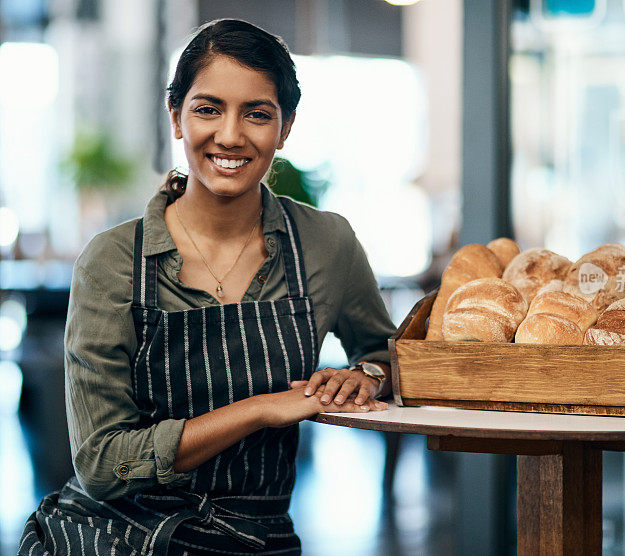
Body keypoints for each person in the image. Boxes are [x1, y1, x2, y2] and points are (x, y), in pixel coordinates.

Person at [19, 18, 396, 555]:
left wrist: (368, 377)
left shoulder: (325, 242)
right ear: (176, 117)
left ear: (285, 128)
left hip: (258, 537)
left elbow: (387, 354)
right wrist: (259, 409)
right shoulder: (112, 260)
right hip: (115, 536)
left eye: (257, 114)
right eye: (208, 108)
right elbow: (101, 463)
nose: (230, 135)